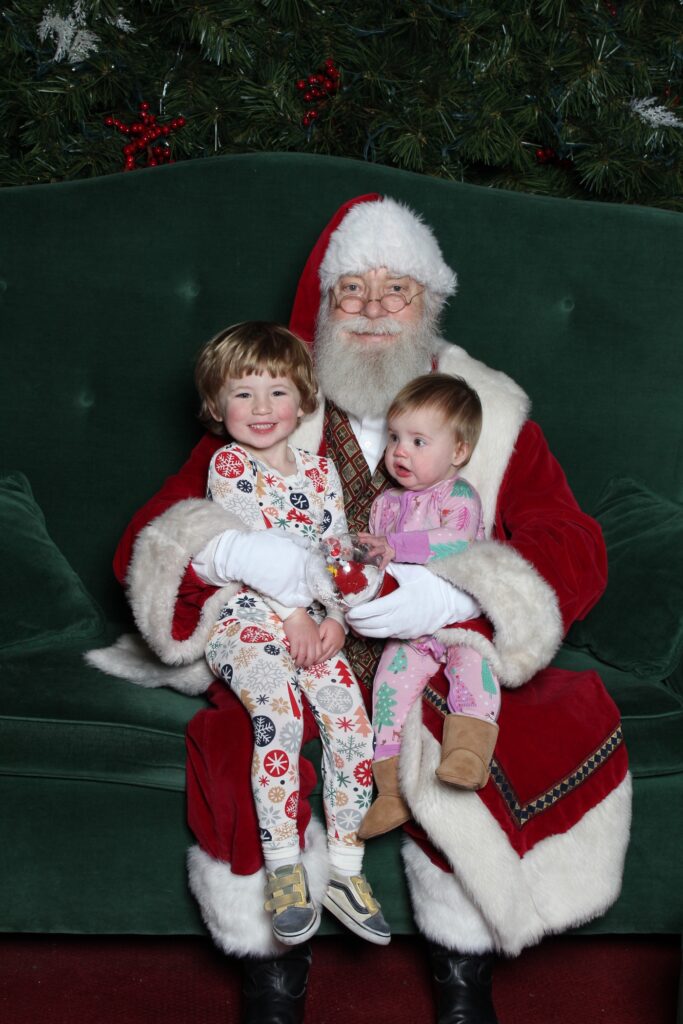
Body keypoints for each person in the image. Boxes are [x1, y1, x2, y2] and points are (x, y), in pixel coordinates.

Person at [113, 194, 630, 1024]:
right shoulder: (272, 400)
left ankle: (464, 982)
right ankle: (272, 985)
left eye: (399, 290)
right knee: (249, 735)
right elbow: (158, 529)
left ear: (430, 304)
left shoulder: (482, 410)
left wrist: (457, 590)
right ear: (322, 303)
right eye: (352, 289)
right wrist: (241, 554)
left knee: (484, 735)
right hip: (294, 639)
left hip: (427, 645)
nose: (375, 309)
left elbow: (570, 538)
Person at [195, 320, 389, 947]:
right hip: (250, 624)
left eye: (277, 392)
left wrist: (334, 617)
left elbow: (334, 554)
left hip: (314, 625)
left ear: (303, 400)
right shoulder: (229, 462)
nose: (261, 409)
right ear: (217, 404)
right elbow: (255, 549)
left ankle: (346, 871)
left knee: (353, 726)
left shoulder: (321, 472)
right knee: (278, 718)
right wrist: (294, 615)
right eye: (243, 393)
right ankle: (285, 870)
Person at [354, 372, 500, 843]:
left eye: (419, 441)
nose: (400, 451)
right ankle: (390, 788)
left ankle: (468, 754)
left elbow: (453, 542)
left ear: (457, 452)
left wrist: (392, 546)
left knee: (474, 670)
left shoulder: (458, 496)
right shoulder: (385, 503)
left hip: (460, 620)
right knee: (388, 687)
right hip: (410, 632)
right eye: (395, 438)